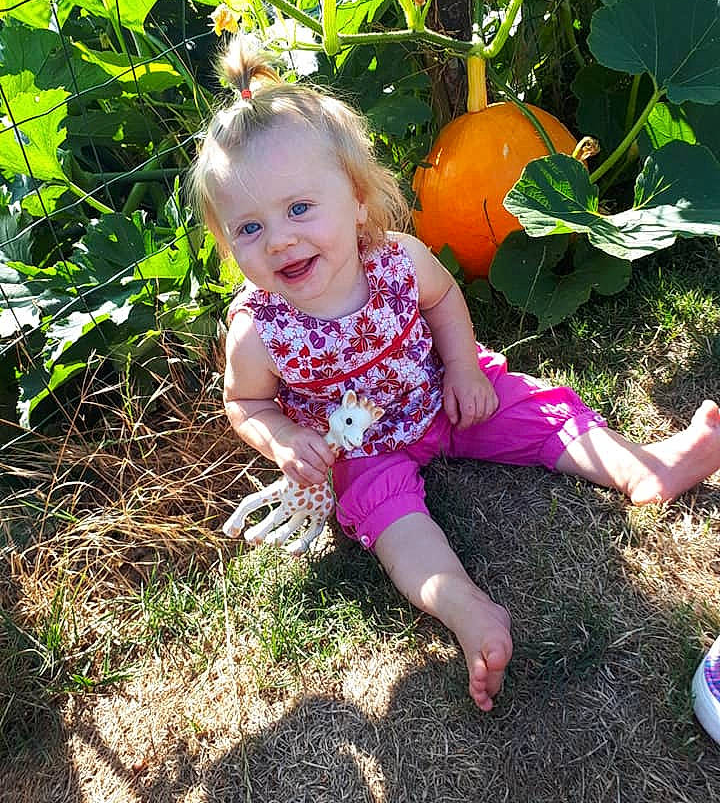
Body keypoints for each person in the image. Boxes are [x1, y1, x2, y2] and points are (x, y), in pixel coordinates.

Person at [188, 35, 720, 712]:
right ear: (226, 240)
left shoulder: (399, 259)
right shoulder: (258, 330)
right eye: (249, 229)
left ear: (356, 200)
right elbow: (246, 403)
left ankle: (642, 468)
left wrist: (465, 368)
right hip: (359, 447)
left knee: (536, 410)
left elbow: (442, 301)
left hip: (440, 395)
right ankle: (465, 607)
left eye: (299, 209)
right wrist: (283, 439)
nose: (280, 239)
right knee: (393, 526)